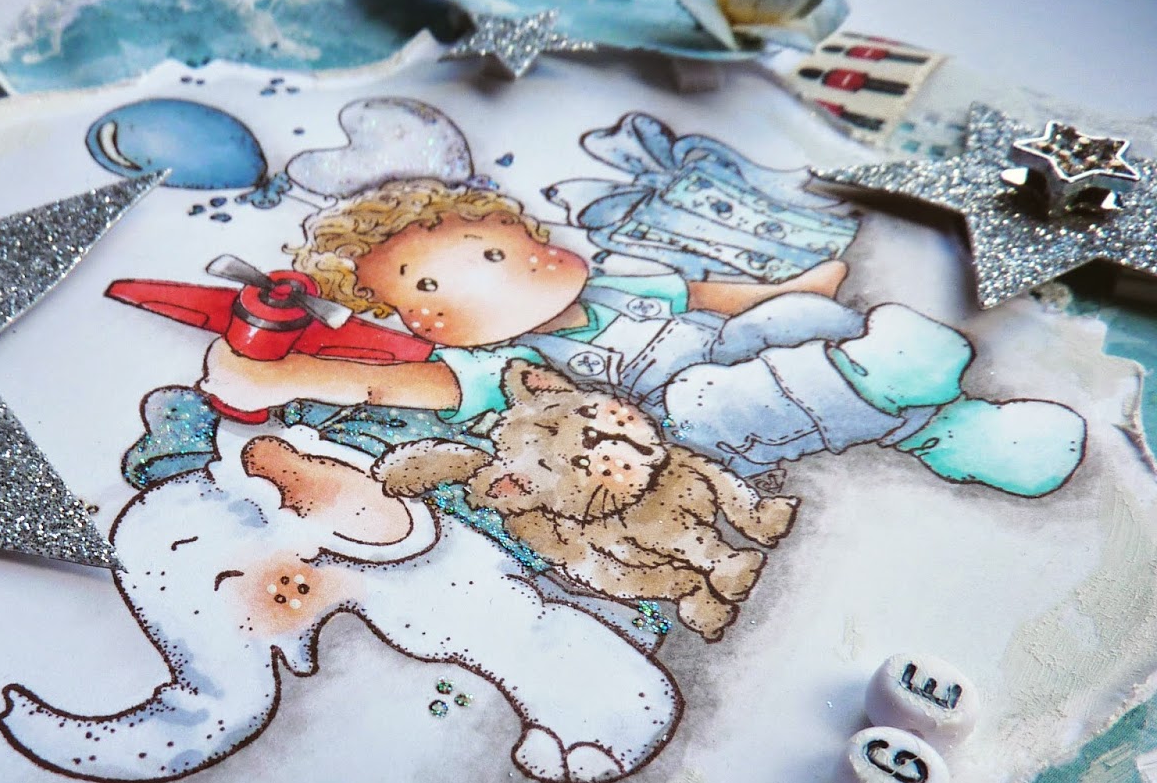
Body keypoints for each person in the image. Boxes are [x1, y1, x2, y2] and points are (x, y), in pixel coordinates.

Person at [198, 178, 1085, 497]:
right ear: (425, 322)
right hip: (697, 428)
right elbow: (396, 385)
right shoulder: (504, 364)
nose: (524, 258)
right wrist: (290, 376)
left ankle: (953, 429)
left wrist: (794, 288)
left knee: (780, 324)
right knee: (702, 395)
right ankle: (887, 383)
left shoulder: (619, 281)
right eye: (426, 294)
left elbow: (710, 296)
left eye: (502, 246)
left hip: (754, 359)